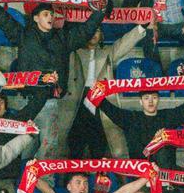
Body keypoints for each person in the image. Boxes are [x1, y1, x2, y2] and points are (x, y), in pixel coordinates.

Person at [0, 0, 106, 159]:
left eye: (52, 14)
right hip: (24, 101)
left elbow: (85, 31)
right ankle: (24, 181)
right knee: (24, 149)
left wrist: (100, 11)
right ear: (35, 18)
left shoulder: (63, 38)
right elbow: (4, 21)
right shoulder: (23, 35)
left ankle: (45, 181)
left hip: (49, 103)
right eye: (46, 14)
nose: (50, 17)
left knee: (48, 148)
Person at [61, 17, 148, 159]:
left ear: (102, 35)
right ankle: (73, 179)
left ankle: (98, 179)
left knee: (100, 144)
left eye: (98, 31)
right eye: (91, 30)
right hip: (77, 102)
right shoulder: (73, 52)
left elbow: (124, 44)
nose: (94, 34)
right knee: (74, 146)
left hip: (101, 101)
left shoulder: (107, 52)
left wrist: (141, 27)